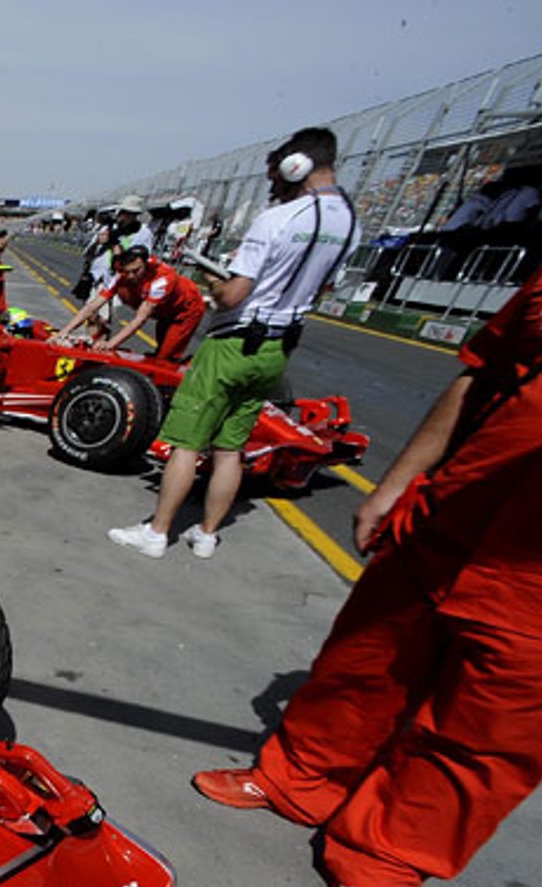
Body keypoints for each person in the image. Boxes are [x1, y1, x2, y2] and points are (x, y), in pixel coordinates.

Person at [190, 199, 542, 887]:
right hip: (462, 507)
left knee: (489, 737)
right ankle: (295, 780)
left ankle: (380, 865)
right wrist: (403, 478)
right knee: (363, 665)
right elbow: (483, 371)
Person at [109, 127, 359, 561]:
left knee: (187, 442)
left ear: (294, 166)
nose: (273, 187)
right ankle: (206, 534)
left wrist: (212, 275)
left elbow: (232, 295)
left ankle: (157, 531)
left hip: (234, 341)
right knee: (231, 446)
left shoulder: (278, 219)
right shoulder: (350, 224)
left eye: (275, 177)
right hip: (277, 348)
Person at [50, 244, 206, 359]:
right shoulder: (120, 273)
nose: (131, 276)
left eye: (136, 271)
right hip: (162, 309)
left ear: (146, 264)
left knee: (165, 356)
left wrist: (110, 345)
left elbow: (140, 319)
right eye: (127, 271)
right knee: (159, 350)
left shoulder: (163, 279)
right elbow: (93, 305)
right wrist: (65, 331)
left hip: (185, 310)